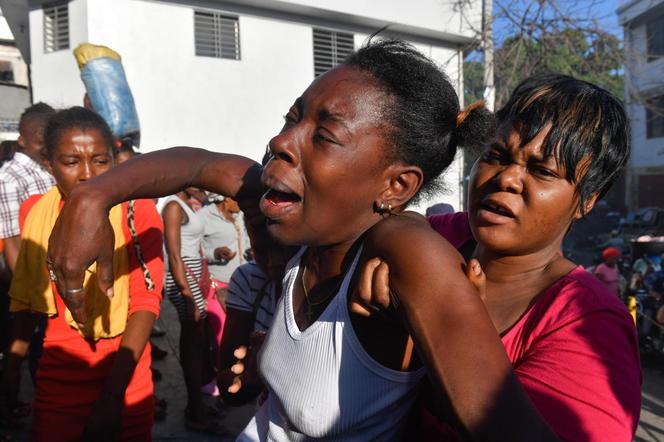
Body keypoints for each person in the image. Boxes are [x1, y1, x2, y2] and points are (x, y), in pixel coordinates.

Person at [46, 39, 498, 440]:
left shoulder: (403, 247)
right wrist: (92, 197)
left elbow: (506, 420)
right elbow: (200, 165)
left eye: (323, 135)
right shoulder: (304, 238)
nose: (280, 140)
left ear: (395, 187)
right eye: (292, 119)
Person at [352, 74, 641, 440]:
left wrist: (453, 332)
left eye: (542, 171)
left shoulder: (588, 323)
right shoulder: (440, 237)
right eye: (496, 156)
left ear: (587, 200)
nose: (507, 179)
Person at [3, 106, 164, 441]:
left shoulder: (136, 208)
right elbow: (30, 299)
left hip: (125, 378)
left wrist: (112, 399)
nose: (89, 174)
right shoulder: (35, 212)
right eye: (72, 161)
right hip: (58, 376)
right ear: (48, 164)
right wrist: (13, 364)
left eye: (101, 160)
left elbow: (145, 303)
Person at [161, 186, 218, 432]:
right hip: (183, 276)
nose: (201, 186)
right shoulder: (173, 206)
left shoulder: (187, 203)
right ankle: (195, 409)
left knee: (199, 339)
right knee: (192, 343)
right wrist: (187, 293)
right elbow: (174, 255)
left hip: (193, 273)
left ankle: (198, 404)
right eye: (194, 181)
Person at [0, 103, 55, 273]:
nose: (46, 148)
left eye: (51, 142)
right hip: (37, 274)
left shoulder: (53, 168)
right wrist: (25, 291)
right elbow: (12, 241)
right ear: (22, 141)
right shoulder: (9, 178)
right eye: (40, 143)